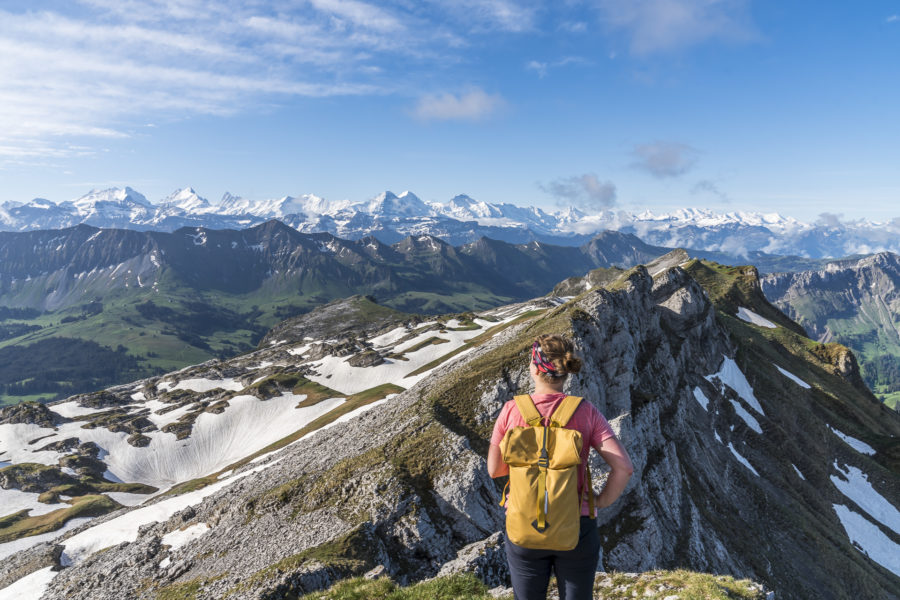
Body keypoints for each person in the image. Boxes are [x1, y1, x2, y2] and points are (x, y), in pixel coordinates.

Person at [487, 334, 634, 600]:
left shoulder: (511, 410)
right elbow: (623, 467)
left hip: (523, 524)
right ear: (567, 372)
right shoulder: (585, 411)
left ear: (534, 367)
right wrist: (599, 501)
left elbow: (495, 470)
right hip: (576, 524)